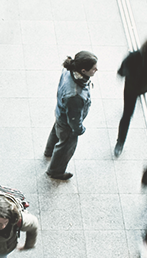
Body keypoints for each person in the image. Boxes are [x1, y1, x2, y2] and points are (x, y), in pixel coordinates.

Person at [44, 51, 97, 180]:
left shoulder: (69, 70)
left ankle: (49, 151)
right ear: (83, 71)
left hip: (60, 113)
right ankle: (55, 171)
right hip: (68, 123)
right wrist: (79, 129)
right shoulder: (75, 95)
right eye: (93, 69)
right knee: (66, 147)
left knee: (56, 132)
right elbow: (74, 119)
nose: (96, 70)